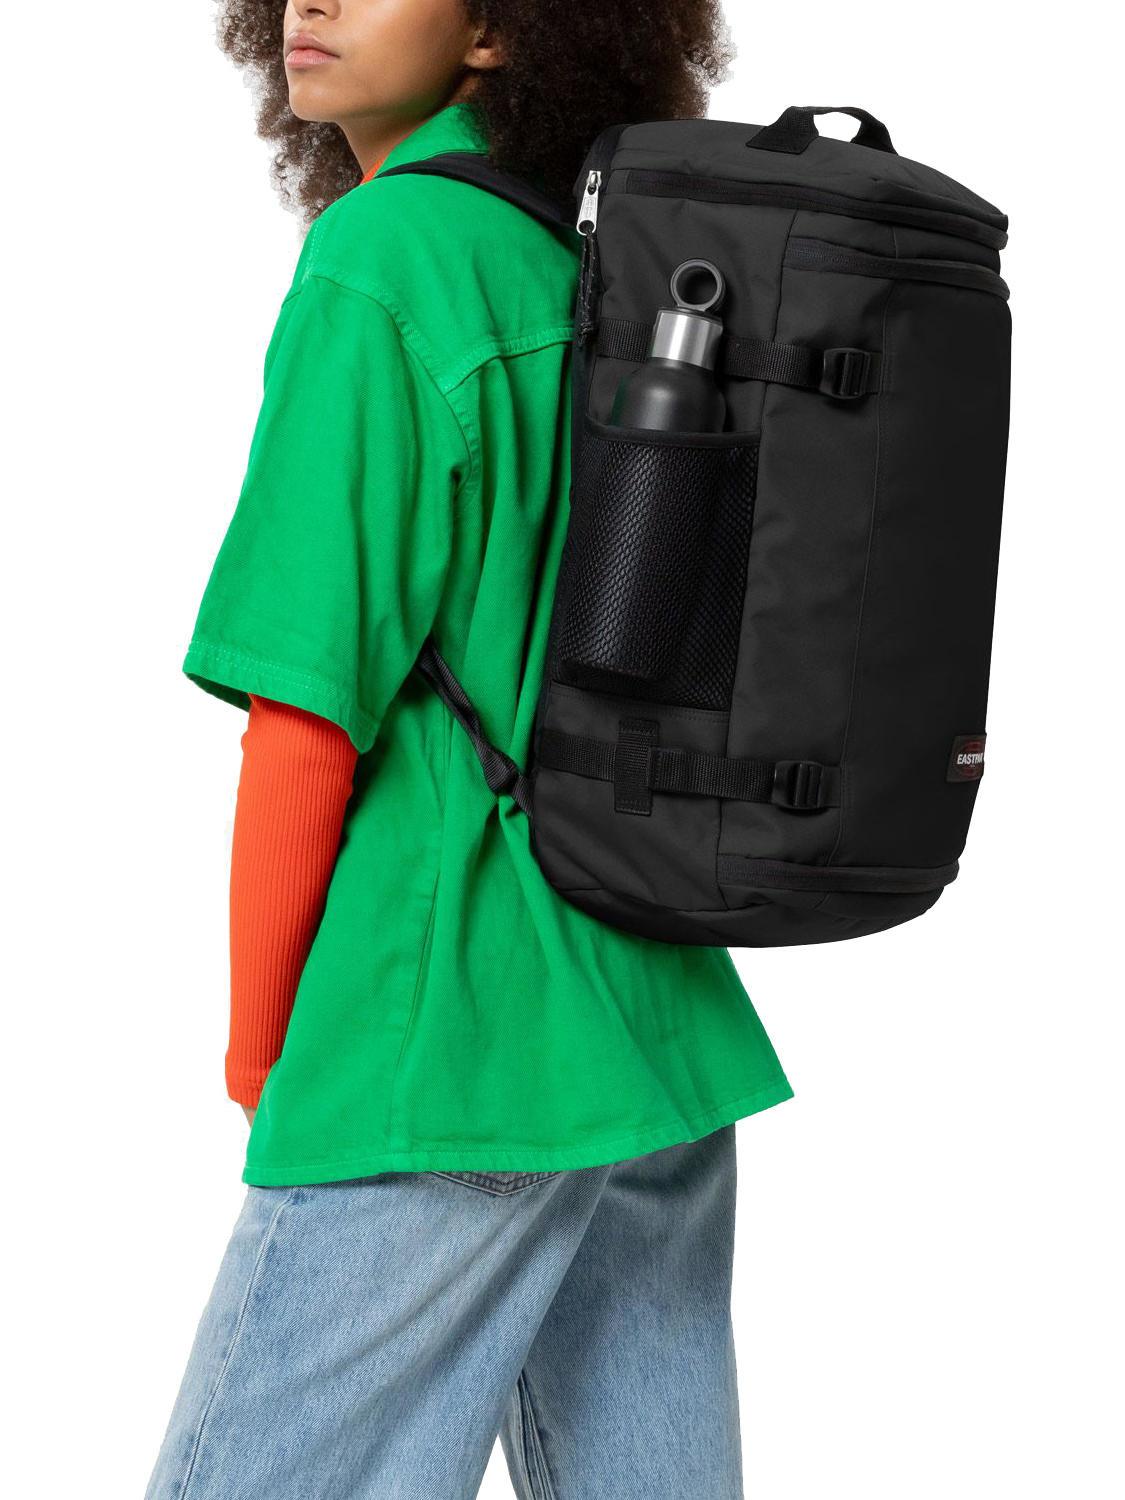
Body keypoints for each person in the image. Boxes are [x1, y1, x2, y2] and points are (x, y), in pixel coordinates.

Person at [147, 2, 793, 1496]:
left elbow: (306, 716)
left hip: (450, 1024)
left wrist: (266, 1050)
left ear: (504, 31)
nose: (311, 2)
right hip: (645, 1002)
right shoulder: (589, 257)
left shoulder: (387, 256)